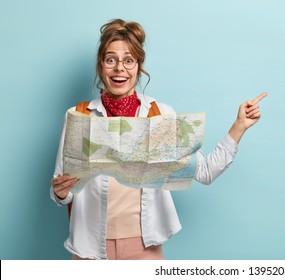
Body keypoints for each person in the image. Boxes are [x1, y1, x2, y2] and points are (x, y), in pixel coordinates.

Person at [50, 19, 267, 260]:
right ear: (101, 66)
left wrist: (239, 126)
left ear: (139, 66)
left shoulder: (160, 115)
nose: (119, 68)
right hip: (88, 249)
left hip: (144, 249)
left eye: (128, 60)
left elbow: (204, 172)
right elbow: (62, 192)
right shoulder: (78, 116)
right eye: (110, 60)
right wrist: (60, 192)